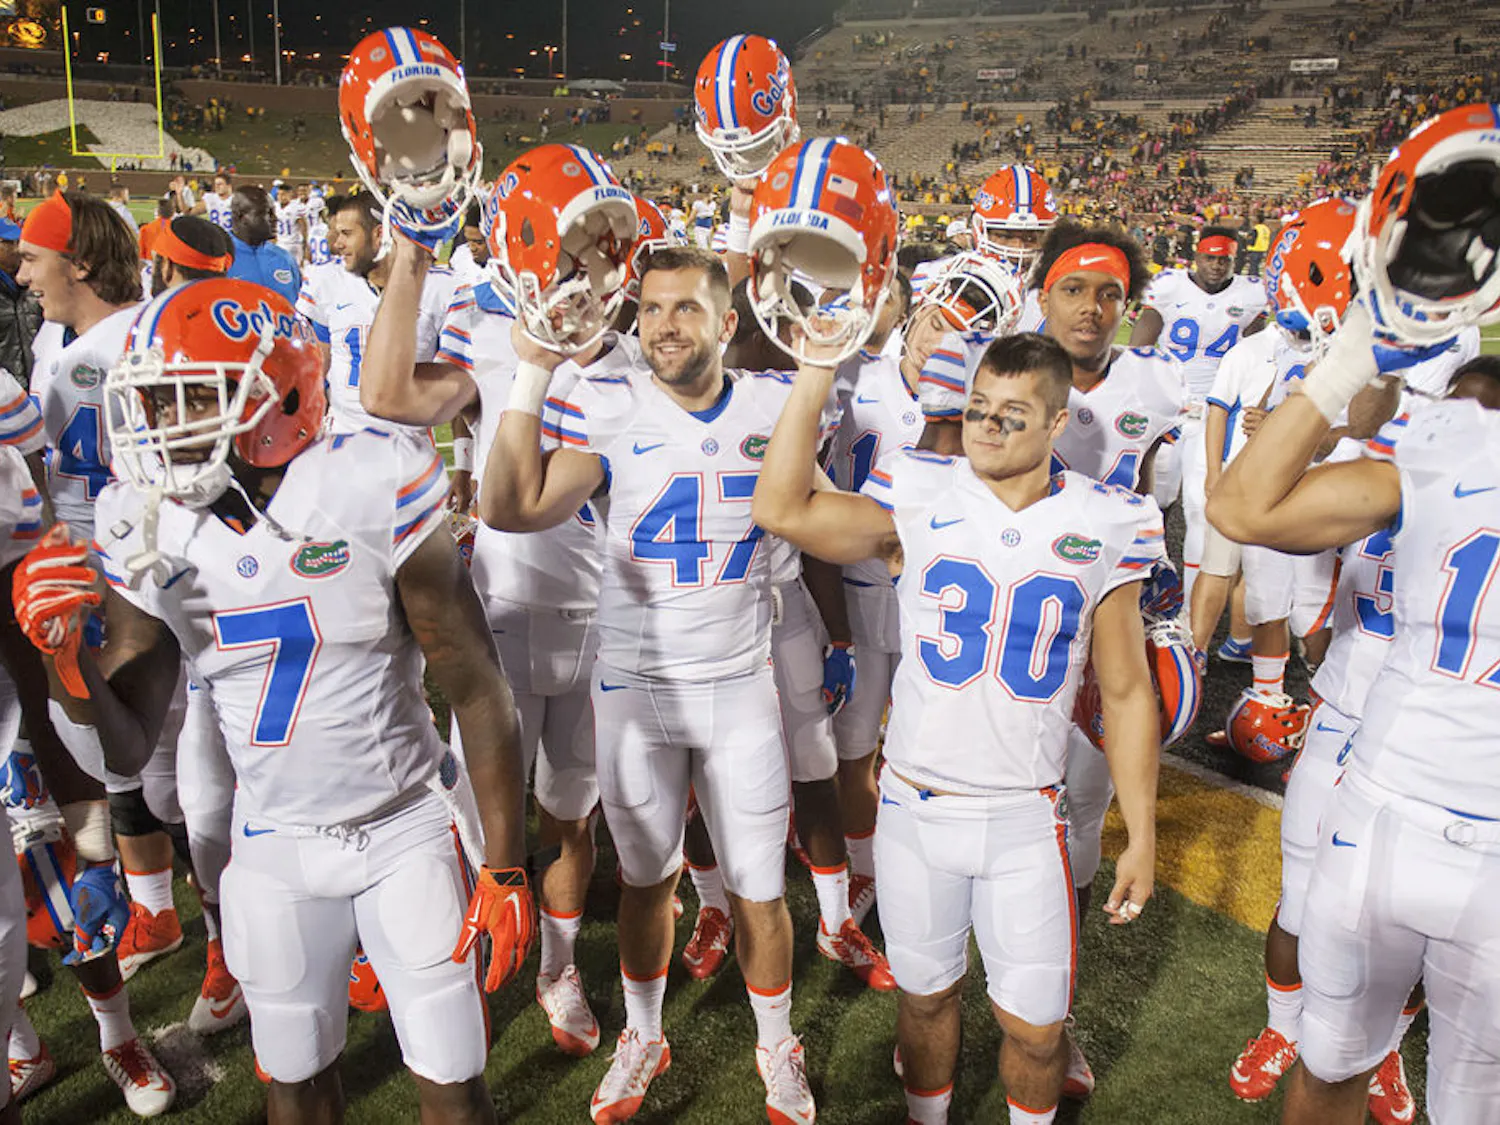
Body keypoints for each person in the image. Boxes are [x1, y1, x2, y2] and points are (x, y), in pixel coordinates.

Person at [17, 276, 535, 1125]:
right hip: (272, 843)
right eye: (153, 402)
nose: (162, 427)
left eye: (192, 398)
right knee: (293, 1087)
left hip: (403, 826)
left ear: (281, 395)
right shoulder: (145, 521)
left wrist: (505, 861)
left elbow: (477, 683)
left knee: (453, 1084)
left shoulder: (369, 476)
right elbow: (122, 746)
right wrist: (68, 661)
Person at [751, 330, 1161, 1125]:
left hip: (1025, 813)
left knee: (1036, 1033)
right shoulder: (920, 485)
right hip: (915, 805)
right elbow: (782, 506)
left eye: (1014, 412)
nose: (988, 425)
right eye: (978, 407)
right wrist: (813, 370)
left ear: (1057, 421)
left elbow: (1127, 688)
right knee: (925, 1003)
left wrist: (1138, 831)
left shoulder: (1111, 518)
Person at [483, 246, 817, 1124]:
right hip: (633, 683)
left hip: (740, 681)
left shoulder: (776, 403)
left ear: (727, 322)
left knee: (758, 886)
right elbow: (511, 506)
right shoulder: (607, 402)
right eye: (653, 309)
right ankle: (643, 1033)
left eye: (687, 309)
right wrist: (531, 372)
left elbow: (816, 511)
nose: (666, 325)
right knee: (644, 878)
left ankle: (777, 1043)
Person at [359, 146, 646, 1060]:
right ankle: (458, 959)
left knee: (570, 813)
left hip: (602, 624)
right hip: (501, 620)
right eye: (581, 246)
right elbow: (386, 395)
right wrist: (408, 247)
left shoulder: (642, 361)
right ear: (530, 246)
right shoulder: (492, 336)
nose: (599, 268)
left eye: (609, 248)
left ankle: (558, 964)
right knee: (477, 817)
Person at [12, 188, 175, 1116]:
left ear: (76, 260)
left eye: (33, 256)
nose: (21, 271)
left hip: (120, 589)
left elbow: (49, 503)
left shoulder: (75, 363)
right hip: (114, 583)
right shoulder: (60, 353)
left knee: (163, 778)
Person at [1130, 224, 1267, 587]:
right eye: (1210, 258)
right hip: (1169, 410)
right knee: (1153, 500)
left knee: (1198, 508)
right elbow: (1140, 346)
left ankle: (1188, 606)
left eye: (1224, 260)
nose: (1217, 266)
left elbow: (1260, 350)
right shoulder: (1169, 286)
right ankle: (1147, 577)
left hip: (1214, 413)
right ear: (1196, 256)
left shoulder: (1252, 294)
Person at [296, 192, 457, 432]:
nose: (337, 243)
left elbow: (457, 380)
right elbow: (320, 362)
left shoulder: (440, 288)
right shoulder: (326, 280)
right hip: (343, 433)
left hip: (407, 439)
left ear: (379, 234)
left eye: (347, 234)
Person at [224, 185, 301, 304]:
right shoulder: (218, 260)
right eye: (266, 213)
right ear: (242, 217)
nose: (275, 219)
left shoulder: (284, 258)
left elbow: (300, 309)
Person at [0, 216, 41, 389]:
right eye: (9, 243)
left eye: (18, 241)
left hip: (37, 385)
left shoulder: (35, 283)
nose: (17, 249)